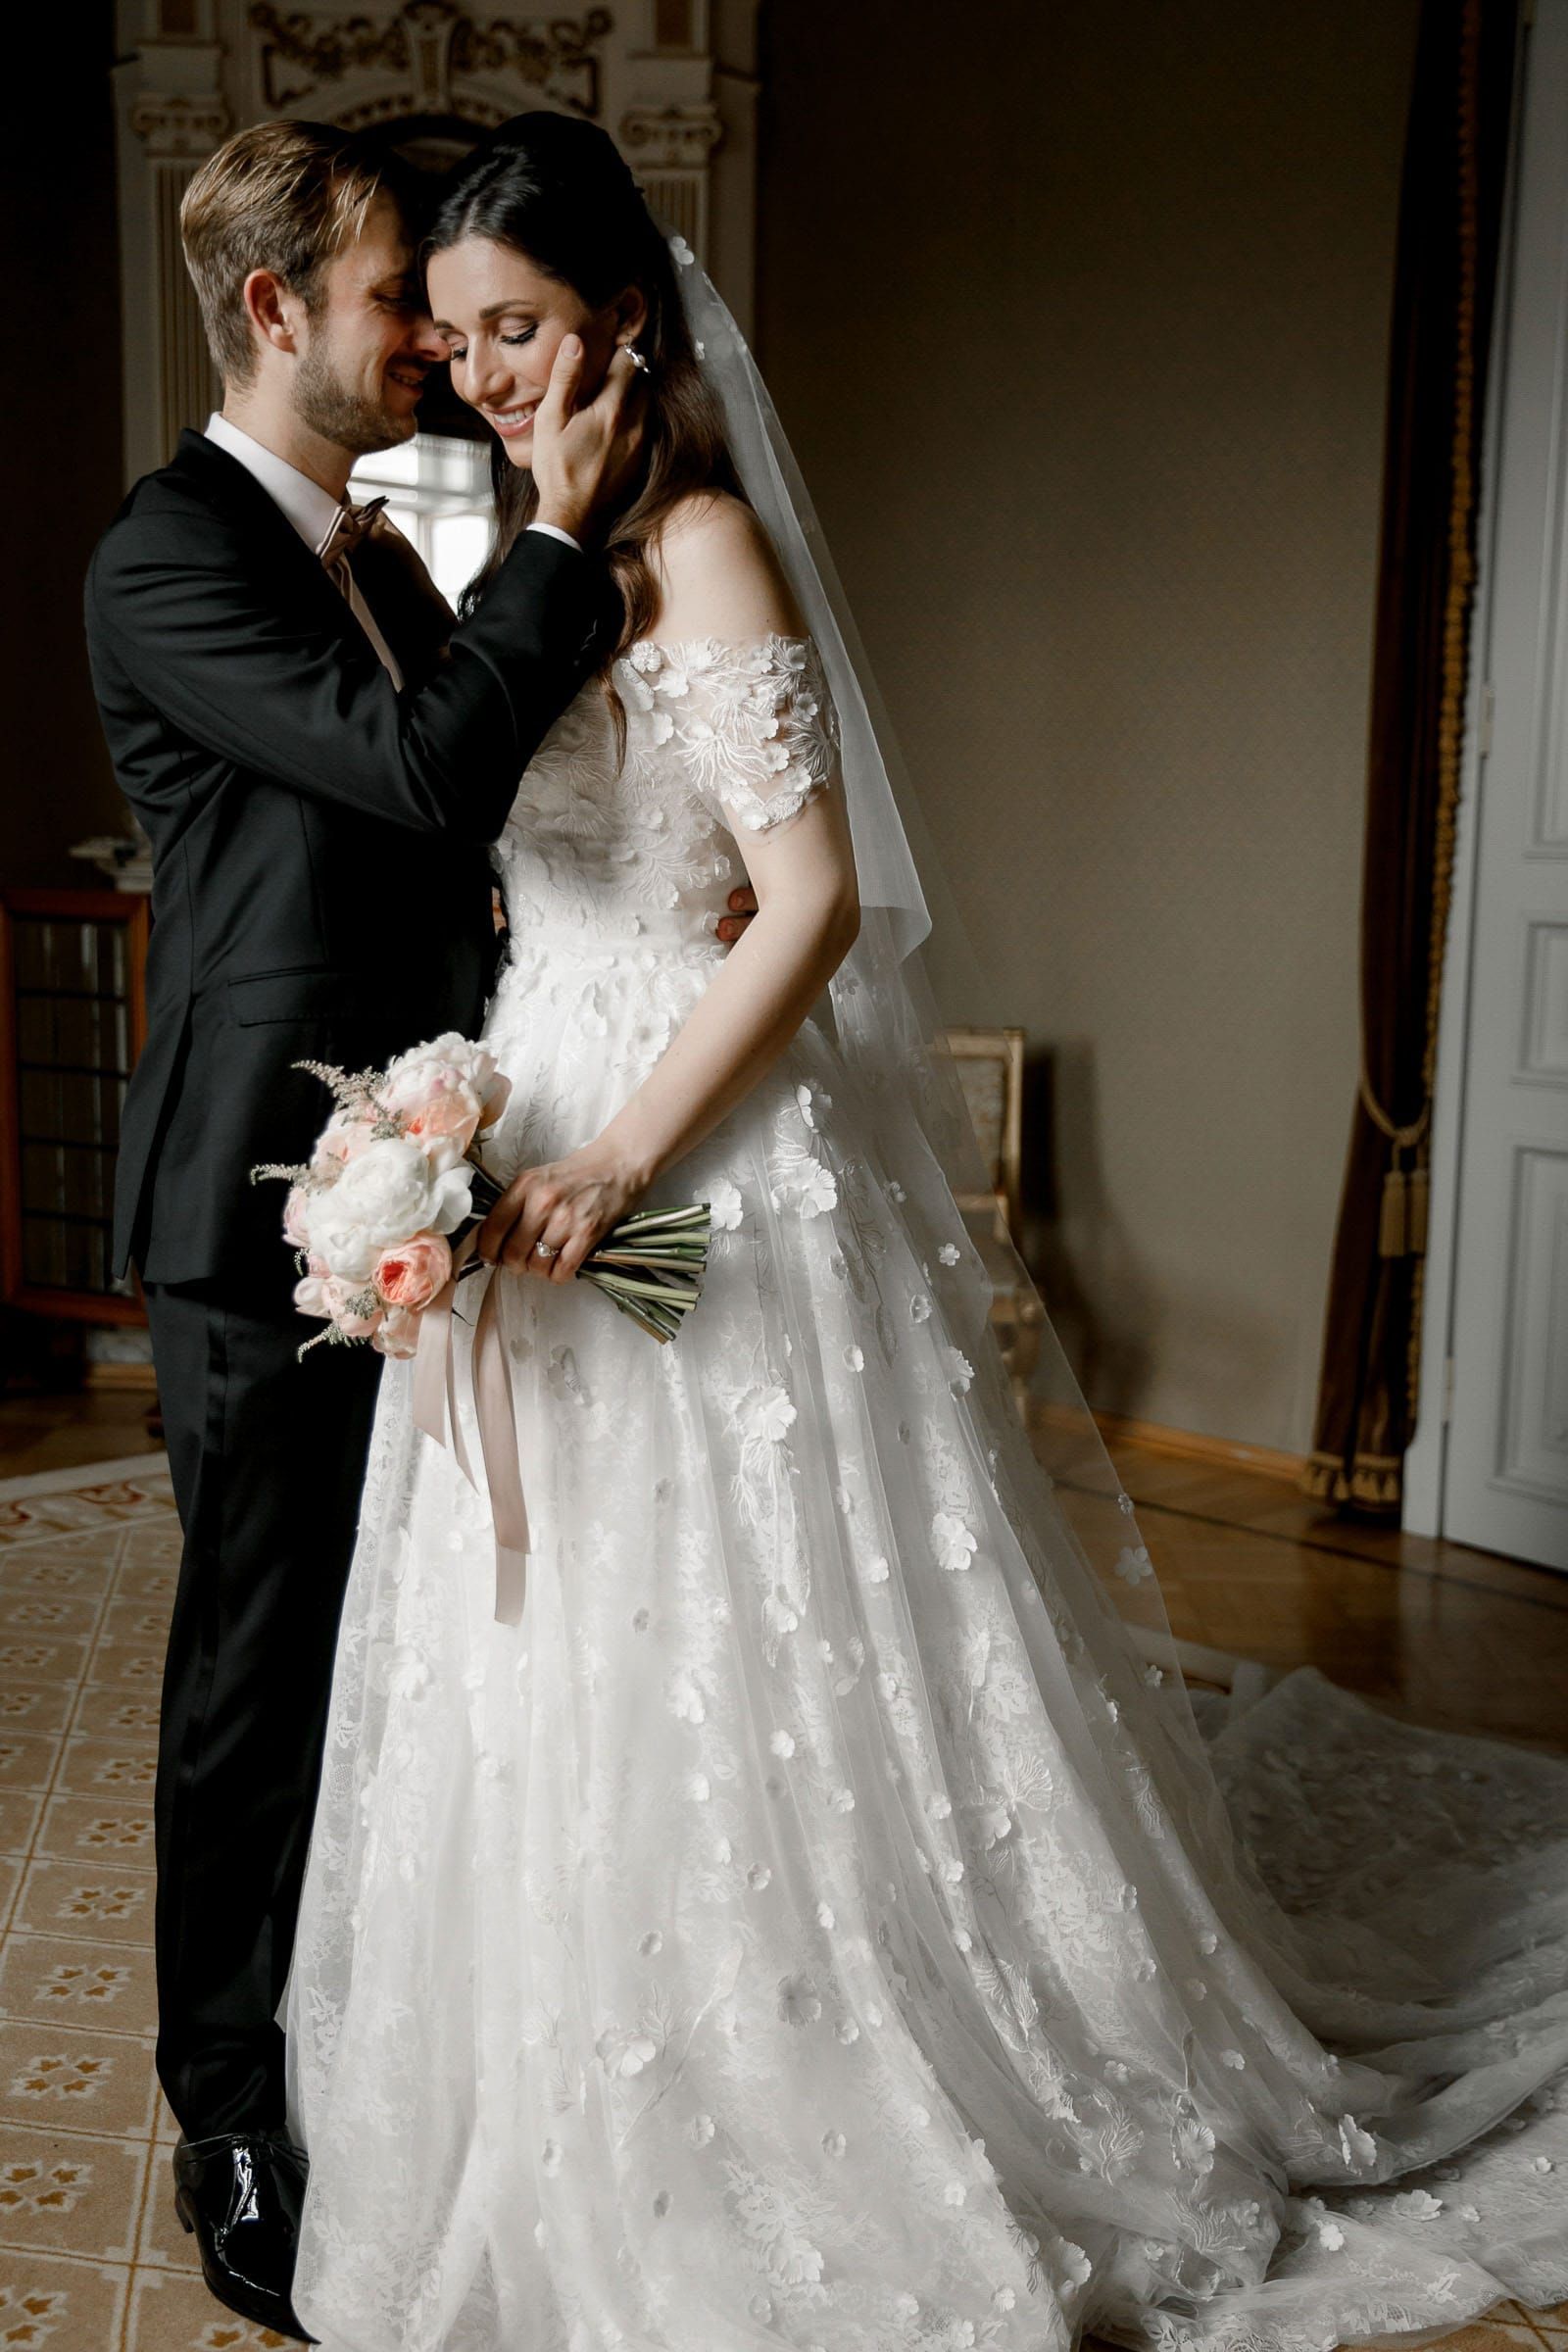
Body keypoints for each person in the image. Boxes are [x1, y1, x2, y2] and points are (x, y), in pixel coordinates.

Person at [284, 112, 1568, 2352]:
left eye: (519, 330)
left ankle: (833, 2070)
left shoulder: (697, 544)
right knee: (547, 1624)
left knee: (745, 1617)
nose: (481, 372)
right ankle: (584, 2047)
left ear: (620, 320)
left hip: (691, 1152)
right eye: (460, 338)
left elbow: (807, 907)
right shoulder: (529, 539)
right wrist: (474, 1113)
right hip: (539, 1097)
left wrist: (621, 1158)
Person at [82, 116, 762, 2342]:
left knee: (442, 1667)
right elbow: (411, 779)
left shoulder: (368, 546)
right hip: (264, 1208)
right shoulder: (164, 557)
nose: (438, 350)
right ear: (279, 312)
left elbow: (470, 860)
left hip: (453, 1175)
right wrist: (566, 520)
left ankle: (414, 2046)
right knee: (257, 1685)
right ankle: (231, 2117)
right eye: (403, 302)